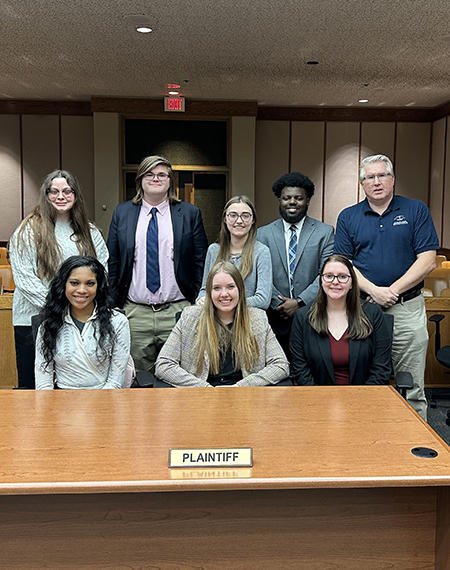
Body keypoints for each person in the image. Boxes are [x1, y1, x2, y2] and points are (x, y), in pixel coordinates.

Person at [334, 154, 439, 420]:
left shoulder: (415, 210)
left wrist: (391, 291)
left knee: (411, 385)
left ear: (392, 180)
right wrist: (375, 292)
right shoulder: (348, 216)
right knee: (362, 379)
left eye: (382, 176)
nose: (376, 182)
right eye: (370, 177)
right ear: (362, 183)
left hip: (407, 308)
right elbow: (344, 264)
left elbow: (427, 260)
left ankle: (416, 451)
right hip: (362, 310)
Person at [107, 155, 208, 377]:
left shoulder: (190, 214)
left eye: (162, 174)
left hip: (178, 311)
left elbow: (201, 261)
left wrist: (196, 302)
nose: (156, 178)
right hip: (135, 313)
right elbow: (113, 262)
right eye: (149, 174)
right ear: (140, 180)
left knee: (181, 376)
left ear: (170, 181)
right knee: (138, 380)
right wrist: (113, 303)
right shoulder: (122, 213)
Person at [9, 169, 108, 389]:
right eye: (53, 191)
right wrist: (60, 306)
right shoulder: (27, 230)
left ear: (76, 195)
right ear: (45, 195)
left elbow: (102, 273)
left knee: (68, 385)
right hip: (33, 319)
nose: (60, 196)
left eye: (66, 191)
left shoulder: (89, 232)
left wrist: (75, 309)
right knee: (34, 387)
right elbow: (24, 279)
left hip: (78, 320)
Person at [155, 261, 289, 387]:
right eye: (217, 288)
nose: (224, 294)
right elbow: (164, 364)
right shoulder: (189, 317)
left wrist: (241, 387)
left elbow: (280, 365)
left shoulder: (258, 318)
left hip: (245, 397)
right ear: (209, 292)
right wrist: (203, 387)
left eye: (230, 287)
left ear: (240, 290)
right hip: (200, 396)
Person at [257, 171, 335, 356]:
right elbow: (261, 273)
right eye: (286, 198)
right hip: (274, 318)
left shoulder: (325, 232)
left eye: (298, 198)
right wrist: (279, 303)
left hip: (313, 316)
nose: (292, 202)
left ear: (307, 201)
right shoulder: (263, 234)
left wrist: (300, 303)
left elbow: (327, 273)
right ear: (279, 200)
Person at [290, 255, 391, 386]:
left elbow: (381, 369)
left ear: (352, 283)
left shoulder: (372, 314)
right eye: (329, 276)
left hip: (364, 399)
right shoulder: (302, 317)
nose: (335, 281)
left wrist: (362, 399)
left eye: (343, 277)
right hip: (317, 398)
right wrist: (318, 398)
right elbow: (299, 367)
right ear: (321, 281)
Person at [35, 256, 130, 390]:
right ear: (63, 285)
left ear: (99, 286)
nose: (82, 290)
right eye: (74, 283)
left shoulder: (117, 322)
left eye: (90, 283)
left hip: (105, 398)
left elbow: (115, 382)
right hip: (61, 400)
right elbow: (43, 384)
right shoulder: (49, 325)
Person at [196, 196, 272, 309]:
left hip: (247, 320)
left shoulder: (261, 252)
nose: (239, 221)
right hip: (216, 321)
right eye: (233, 215)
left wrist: (226, 304)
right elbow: (205, 290)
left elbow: (263, 300)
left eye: (245, 216)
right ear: (225, 219)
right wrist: (201, 299)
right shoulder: (213, 250)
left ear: (253, 220)